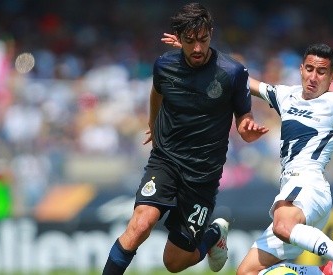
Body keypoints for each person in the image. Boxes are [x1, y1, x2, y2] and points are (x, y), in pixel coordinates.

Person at [160, 39, 333, 274]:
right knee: (247, 271)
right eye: (310, 69)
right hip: (294, 191)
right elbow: (241, 77)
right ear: (301, 69)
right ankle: (326, 271)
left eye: (322, 72)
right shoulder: (286, 96)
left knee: (282, 224)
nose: (314, 77)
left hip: (309, 184)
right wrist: (198, 51)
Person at [102, 3, 269, 274]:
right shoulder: (164, 65)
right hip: (165, 161)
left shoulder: (232, 72)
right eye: (190, 42)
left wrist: (247, 130)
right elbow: (157, 92)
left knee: (174, 262)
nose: (198, 49)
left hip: (202, 176)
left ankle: (214, 235)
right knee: (140, 225)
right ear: (179, 39)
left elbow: (243, 120)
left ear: (211, 34)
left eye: (203, 40)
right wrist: (152, 123)